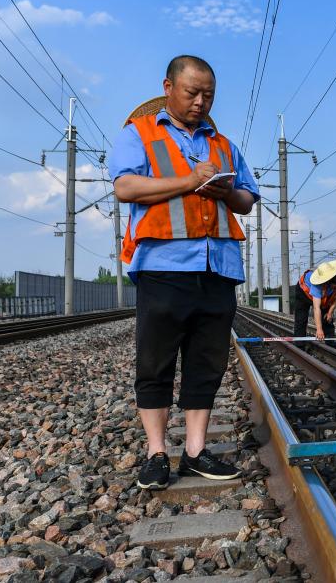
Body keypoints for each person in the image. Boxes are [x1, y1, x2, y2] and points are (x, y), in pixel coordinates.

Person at [110, 55, 259, 490]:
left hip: (218, 266)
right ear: (168, 86)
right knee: (155, 362)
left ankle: (194, 451)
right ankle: (157, 452)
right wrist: (189, 180)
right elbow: (125, 187)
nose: (200, 102)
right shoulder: (139, 134)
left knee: (206, 362)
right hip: (163, 265)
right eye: (192, 92)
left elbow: (248, 200)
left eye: (208, 95)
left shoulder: (225, 144)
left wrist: (225, 190)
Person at [293, 260, 336, 340]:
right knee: (301, 319)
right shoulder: (317, 284)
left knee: (327, 317)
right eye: (334, 287)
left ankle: (330, 341)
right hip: (303, 293)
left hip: (323, 294)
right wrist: (319, 329)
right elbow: (316, 308)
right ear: (327, 283)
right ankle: (299, 345)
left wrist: (330, 312)